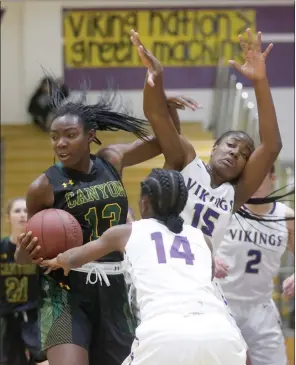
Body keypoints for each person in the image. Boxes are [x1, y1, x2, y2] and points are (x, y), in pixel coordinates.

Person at [15, 89, 194, 365]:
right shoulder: (42, 188)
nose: (60, 143)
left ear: (90, 135)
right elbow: (24, 256)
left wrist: (165, 112)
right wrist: (26, 253)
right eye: (54, 137)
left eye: (70, 135)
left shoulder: (111, 160)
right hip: (64, 288)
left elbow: (165, 144)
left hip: (114, 285)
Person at [24, 169, 247, 365]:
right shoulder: (202, 238)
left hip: (164, 333)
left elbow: (73, 258)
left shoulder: (127, 231)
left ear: (144, 202)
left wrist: (54, 260)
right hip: (222, 335)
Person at [215, 166, 294, 365]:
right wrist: (209, 259)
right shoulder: (226, 208)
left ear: (273, 178)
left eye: (261, 176)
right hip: (221, 304)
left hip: (261, 307)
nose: (255, 182)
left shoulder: (286, 217)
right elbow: (194, 242)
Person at [0, 198, 47, 365]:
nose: (22, 215)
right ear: (8, 217)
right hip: (6, 316)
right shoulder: (2, 247)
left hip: (34, 316)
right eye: (17, 211)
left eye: (26, 211)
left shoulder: (40, 249)